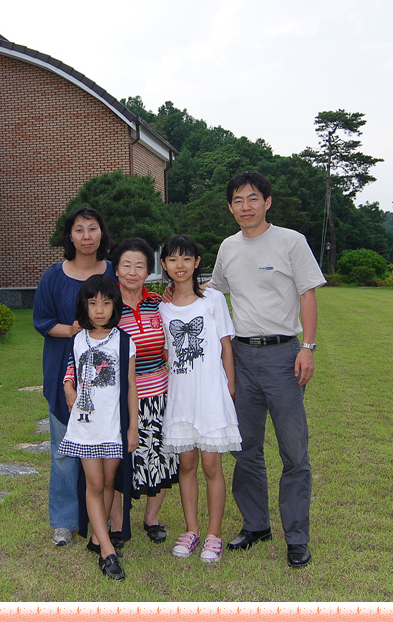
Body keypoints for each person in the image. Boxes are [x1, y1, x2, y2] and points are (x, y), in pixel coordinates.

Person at [209, 171, 325, 569]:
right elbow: (214, 292)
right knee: (245, 448)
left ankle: (297, 537)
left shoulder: (291, 241)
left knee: (293, 452)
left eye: (253, 198)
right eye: (238, 200)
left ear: (267, 202)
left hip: (284, 355)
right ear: (230, 207)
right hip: (241, 357)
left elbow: (307, 294)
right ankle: (256, 524)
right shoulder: (228, 247)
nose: (246, 206)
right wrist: (177, 292)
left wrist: (308, 347)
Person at [33, 207, 115, 547]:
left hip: (105, 374)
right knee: (64, 449)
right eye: (79, 229)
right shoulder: (54, 276)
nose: (86, 236)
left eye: (92, 228)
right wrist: (72, 330)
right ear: (70, 235)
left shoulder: (113, 271)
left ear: (101, 233)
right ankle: (64, 521)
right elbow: (42, 320)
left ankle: (107, 516)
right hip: (62, 369)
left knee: (105, 448)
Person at [158, 235, 242, 564]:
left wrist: (230, 390)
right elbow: (166, 352)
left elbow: (226, 348)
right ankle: (191, 530)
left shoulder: (213, 300)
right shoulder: (162, 308)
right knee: (187, 463)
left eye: (186, 258)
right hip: (181, 396)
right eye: (172, 259)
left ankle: (214, 534)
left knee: (211, 464)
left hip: (211, 394)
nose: (179, 265)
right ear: (164, 265)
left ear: (196, 262)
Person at [61, 274, 139, 580]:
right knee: (94, 483)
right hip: (86, 426)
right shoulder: (78, 339)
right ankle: (107, 551)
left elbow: (131, 387)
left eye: (106, 303)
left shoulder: (124, 341)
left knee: (108, 482)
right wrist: (68, 383)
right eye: (93, 303)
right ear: (84, 305)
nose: (99, 309)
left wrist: (132, 427)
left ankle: (97, 537)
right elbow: (72, 369)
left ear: (115, 306)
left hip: (113, 426)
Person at [105, 238, 179, 545]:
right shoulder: (106, 306)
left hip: (159, 395)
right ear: (116, 269)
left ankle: (152, 518)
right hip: (119, 400)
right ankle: (117, 522)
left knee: (160, 456)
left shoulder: (159, 304)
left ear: (148, 271)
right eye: (126, 265)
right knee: (118, 460)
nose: (133, 272)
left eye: (140, 266)